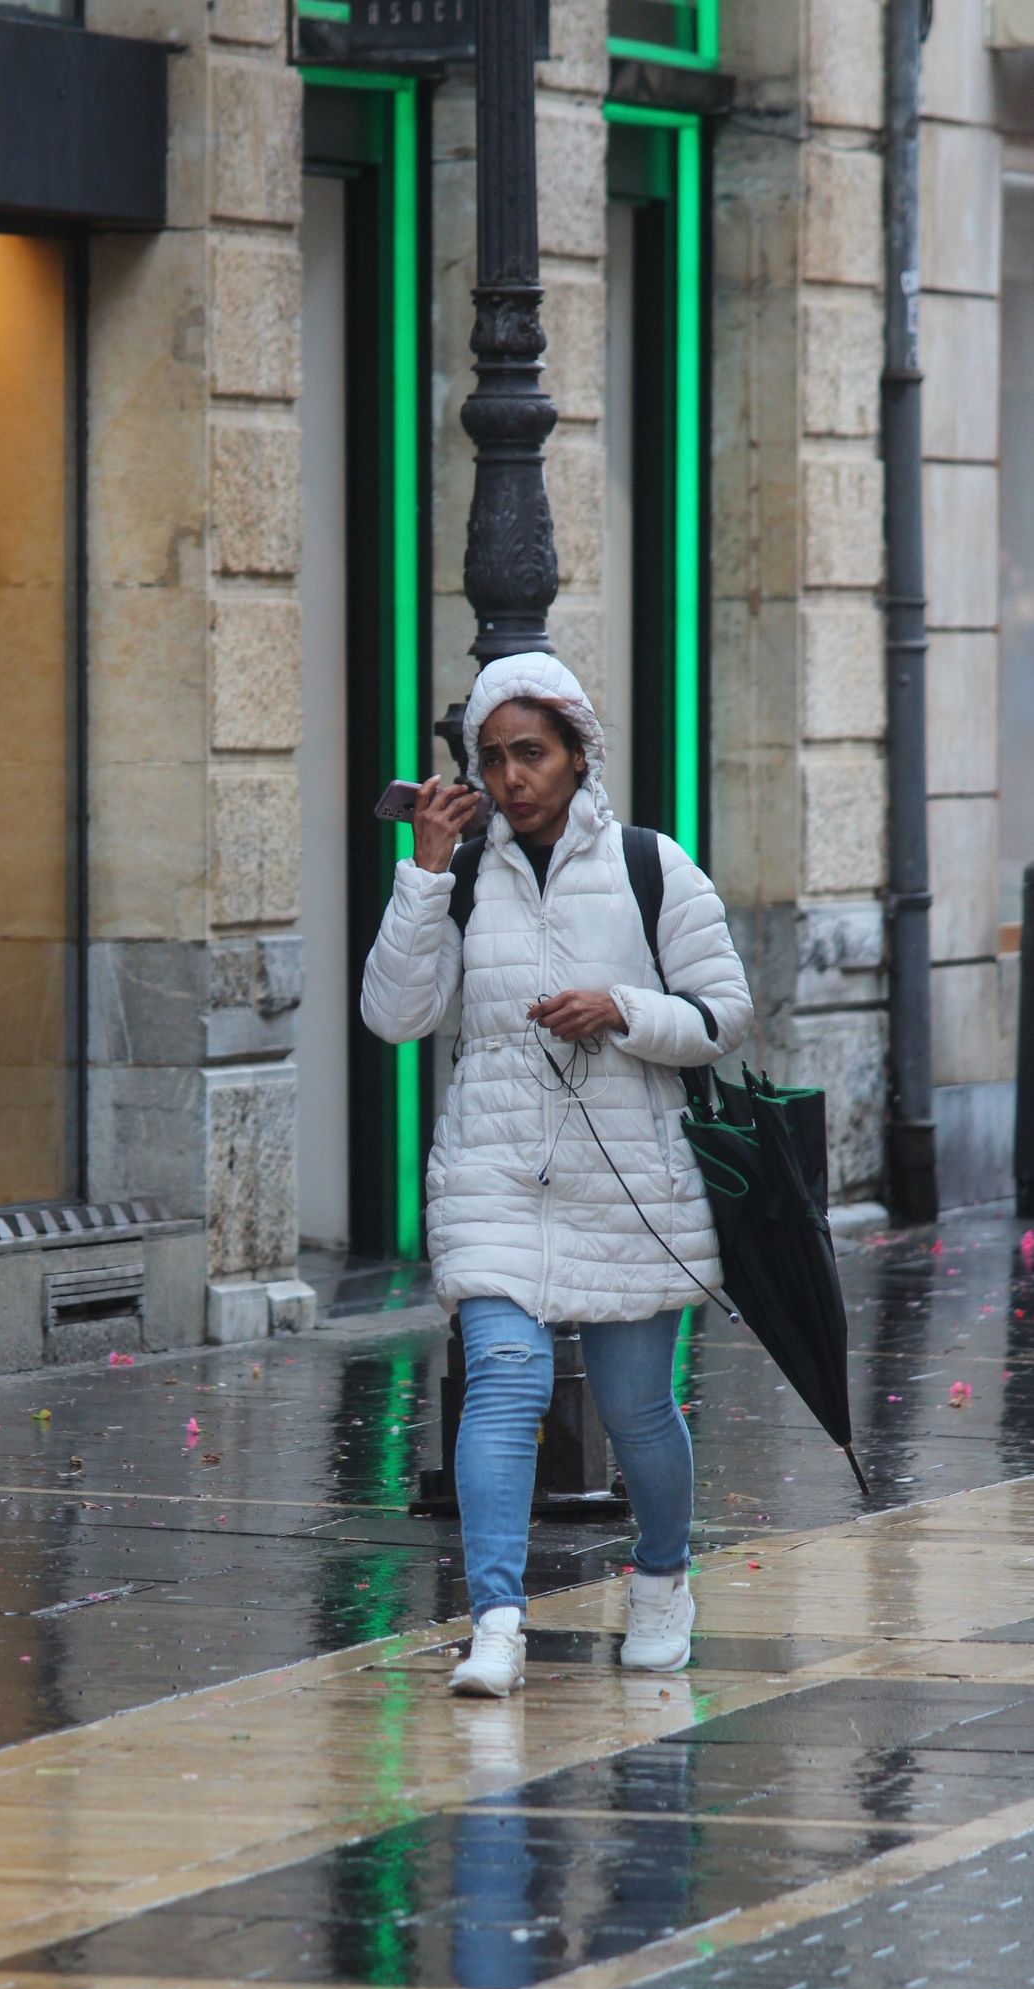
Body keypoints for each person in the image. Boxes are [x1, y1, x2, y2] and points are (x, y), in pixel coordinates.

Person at [361, 652, 754, 1695]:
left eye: (530, 753)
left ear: (581, 756)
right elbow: (394, 1018)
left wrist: (620, 1008)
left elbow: (724, 1015)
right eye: (491, 759)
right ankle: (495, 1620)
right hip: (494, 1170)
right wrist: (425, 873)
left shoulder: (649, 865)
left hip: (629, 1178)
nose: (509, 778)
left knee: (635, 1410)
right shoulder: (457, 880)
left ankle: (664, 1579)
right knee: (502, 1379)